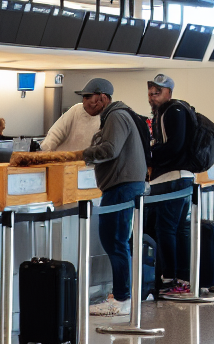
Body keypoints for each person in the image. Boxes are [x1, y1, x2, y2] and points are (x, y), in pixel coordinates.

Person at [81, 80, 147, 316]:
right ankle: (123, 295)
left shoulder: (116, 116)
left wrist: (82, 154)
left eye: (88, 97)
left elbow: (110, 149)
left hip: (122, 185)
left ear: (102, 97)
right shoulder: (118, 114)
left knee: (114, 240)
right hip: (123, 184)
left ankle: (121, 299)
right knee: (117, 241)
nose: (85, 102)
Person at [146, 74, 195, 298]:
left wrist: (148, 156)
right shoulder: (174, 110)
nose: (153, 97)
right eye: (150, 93)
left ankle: (171, 279)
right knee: (179, 230)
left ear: (169, 93)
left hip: (171, 179)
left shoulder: (171, 111)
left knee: (165, 229)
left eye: (158, 92)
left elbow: (174, 145)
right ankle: (183, 280)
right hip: (182, 178)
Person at [40, 85, 103, 153]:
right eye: (85, 98)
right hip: (62, 159)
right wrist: (46, 152)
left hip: (86, 161)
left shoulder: (107, 118)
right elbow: (56, 132)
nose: (84, 101)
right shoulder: (77, 110)